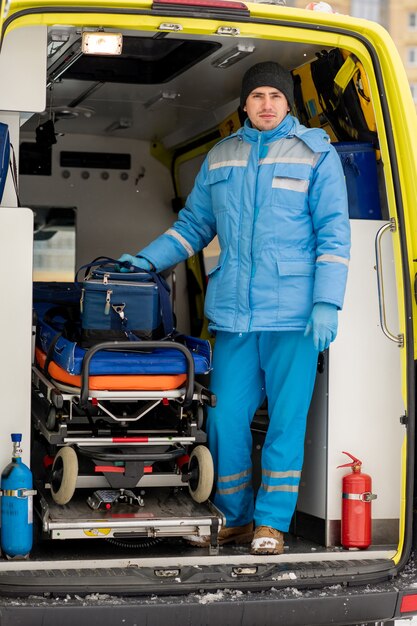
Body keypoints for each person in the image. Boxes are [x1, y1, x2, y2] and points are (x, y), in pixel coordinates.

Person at [118, 61, 351, 555]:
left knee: (287, 421)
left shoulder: (315, 154)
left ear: (288, 103)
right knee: (225, 418)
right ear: (244, 104)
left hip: (294, 317)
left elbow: (334, 234)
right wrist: (146, 261)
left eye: (275, 95)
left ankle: (271, 523)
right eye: (258, 95)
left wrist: (327, 302)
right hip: (236, 317)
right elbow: (193, 227)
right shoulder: (221, 156)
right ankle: (235, 515)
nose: (267, 103)